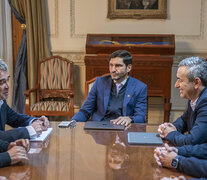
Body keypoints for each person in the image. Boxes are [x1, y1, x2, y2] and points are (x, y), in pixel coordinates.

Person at [72, 50, 147, 126]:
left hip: (124, 130)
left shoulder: (139, 87)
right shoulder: (99, 83)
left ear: (129, 68)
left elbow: (140, 117)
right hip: (99, 129)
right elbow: (85, 111)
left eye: (118, 66)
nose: (113, 70)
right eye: (111, 65)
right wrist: (72, 122)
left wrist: (130, 119)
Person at [158, 57, 207, 146]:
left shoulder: (205, 101)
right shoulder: (194, 97)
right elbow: (184, 120)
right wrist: (171, 127)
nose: (176, 85)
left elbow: (193, 140)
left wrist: (170, 134)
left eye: (180, 80)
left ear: (196, 83)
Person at [0, 59, 49, 140]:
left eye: (8, 80)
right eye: (2, 82)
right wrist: (29, 131)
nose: (7, 86)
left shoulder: (1, 101)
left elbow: (15, 118)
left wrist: (35, 121)